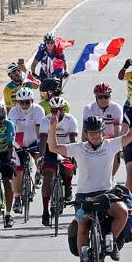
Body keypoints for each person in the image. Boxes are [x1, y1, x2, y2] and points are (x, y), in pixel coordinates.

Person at [47, 109, 132, 262]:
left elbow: (131, 136)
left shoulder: (110, 145)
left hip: (106, 193)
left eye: (98, 132)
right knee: (82, 224)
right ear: (86, 134)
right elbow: (53, 147)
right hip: (84, 196)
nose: (95, 136)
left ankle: (112, 240)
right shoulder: (78, 148)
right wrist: (53, 128)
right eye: (91, 133)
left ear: (102, 133)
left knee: (122, 212)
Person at [38, 96, 77, 226]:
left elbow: (73, 140)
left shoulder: (71, 120)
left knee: (68, 168)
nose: (56, 113)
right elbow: (43, 140)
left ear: (63, 109)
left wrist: (73, 157)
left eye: (59, 110)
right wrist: (42, 156)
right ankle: (45, 211)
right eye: (54, 110)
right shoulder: (45, 120)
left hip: (66, 148)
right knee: (47, 178)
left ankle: (68, 186)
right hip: (50, 149)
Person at [7, 87, 45, 215]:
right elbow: (11, 130)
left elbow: (40, 130)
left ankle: (39, 173)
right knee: (18, 170)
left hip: (34, 141)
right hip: (18, 143)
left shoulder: (38, 110)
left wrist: (40, 145)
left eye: (27, 102)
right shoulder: (13, 111)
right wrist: (14, 146)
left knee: (40, 160)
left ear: (32, 101)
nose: (24, 105)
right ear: (17, 102)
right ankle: (17, 198)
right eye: (21, 102)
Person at [82, 83, 123, 174]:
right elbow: (85, 130)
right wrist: (84, 145)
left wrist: (118, 145)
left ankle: (111, 177)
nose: (103, 99)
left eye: (106, 96)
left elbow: (118, 129)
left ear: (110, 97)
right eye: (100, 97)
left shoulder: (116, 108)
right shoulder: (88, 109)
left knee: (117, 153)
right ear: (96, 97)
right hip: (94, 138)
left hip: (110, 137)